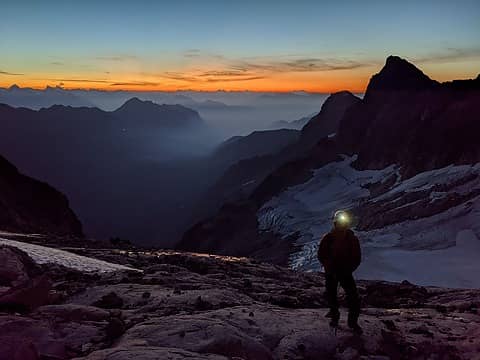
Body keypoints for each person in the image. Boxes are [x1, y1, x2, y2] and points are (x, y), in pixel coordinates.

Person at [317, 210, 362, 334]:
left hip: (344, 272)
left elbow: (356, 257)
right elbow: (321, 254)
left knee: (352, 297)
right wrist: (329, 267)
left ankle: (351, 322)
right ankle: (335, 317)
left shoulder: (351, 239)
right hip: (333, 272)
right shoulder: (329, 238)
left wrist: (348, 269)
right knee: (333, 295)